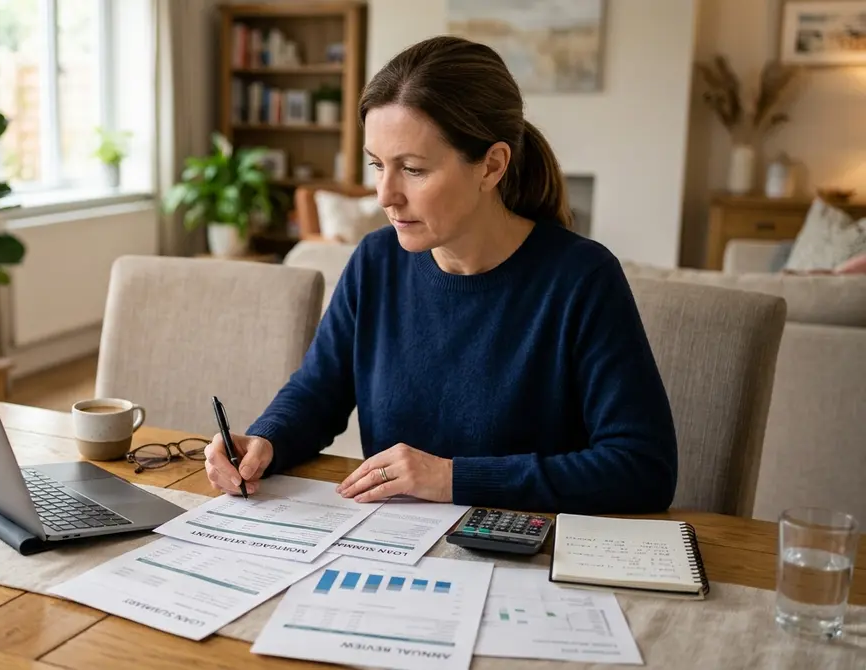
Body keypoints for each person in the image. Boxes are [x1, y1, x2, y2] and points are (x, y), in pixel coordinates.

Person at [202, 35, 678, 515]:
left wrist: (452, 477)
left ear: (491, 166)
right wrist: (266, 439)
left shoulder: (582, 279)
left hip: (527, 560)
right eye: (376, 165)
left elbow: (642, 468)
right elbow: (318, 391)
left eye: (412, 169)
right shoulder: (375, 261)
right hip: (393, 547)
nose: (385, 195)